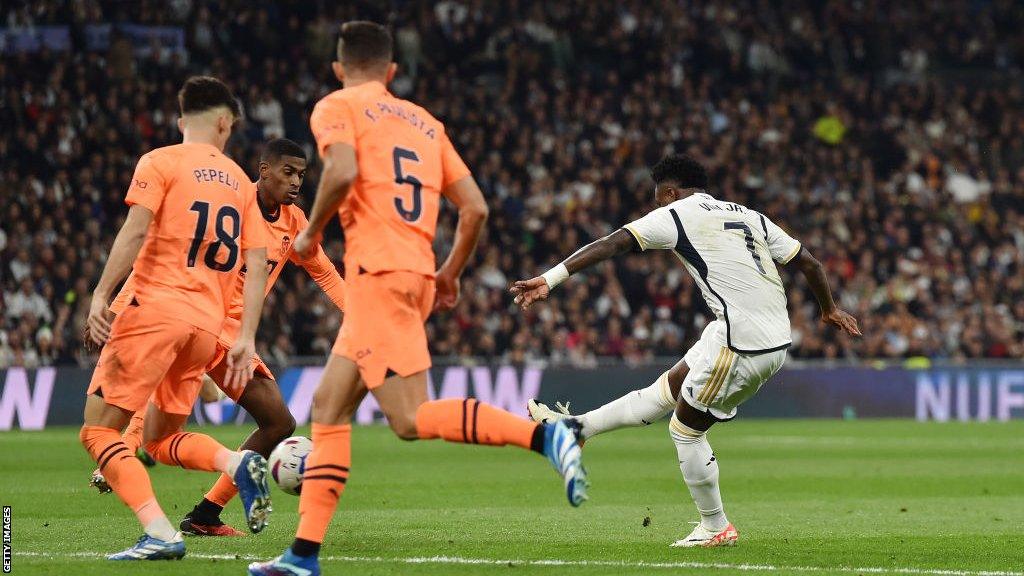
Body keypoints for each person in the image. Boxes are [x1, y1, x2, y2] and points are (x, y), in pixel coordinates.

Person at [248, 21, 587, 576]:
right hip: (412, 276)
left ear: (339, 68)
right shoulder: (426, 123)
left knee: (408, 418)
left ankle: (544, 436)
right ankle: (302, 556)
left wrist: (310, 234)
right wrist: (449, 273)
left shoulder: (337, 105)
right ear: (392, 71)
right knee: (328, 408)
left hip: (379, 274)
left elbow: (342, 170)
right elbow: (474, 207)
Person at [514, 154, 862, 548]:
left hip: (742, 343)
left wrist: (550, 278)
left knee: (685, 429)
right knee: (667, 389)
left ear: (672, 192)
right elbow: (811, 264)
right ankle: (578, 429)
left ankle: (715, 527)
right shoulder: (749, 215)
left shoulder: (677, 213)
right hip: (753, 332)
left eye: (659, 198)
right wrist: (828, 309)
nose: (656, 207)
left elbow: (614, 243)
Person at [89, 138, 348, 537]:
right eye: (288, 172)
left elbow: (326, 273)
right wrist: (118, 307)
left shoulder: (294, 221)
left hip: (231, 338)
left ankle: (205, 513)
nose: (296, 181)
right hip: (201, 320)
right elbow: (161, 258)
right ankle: (126, 448)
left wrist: (362, 317)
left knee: (279, 423)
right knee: (165, 419)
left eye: (301, 174)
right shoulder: (231, 202)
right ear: (264, 170)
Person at [79, 76, 273, 560]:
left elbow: (135, 231)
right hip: (206, 328)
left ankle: (161, 534)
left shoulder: (160, 161)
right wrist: (245, 335)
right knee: (162, 439)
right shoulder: (242, 186)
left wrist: (101, 294)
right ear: (225, 122)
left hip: (154, 311)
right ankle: (236, 460)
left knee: (99, 432)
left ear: (182, 119)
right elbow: (255, 267)